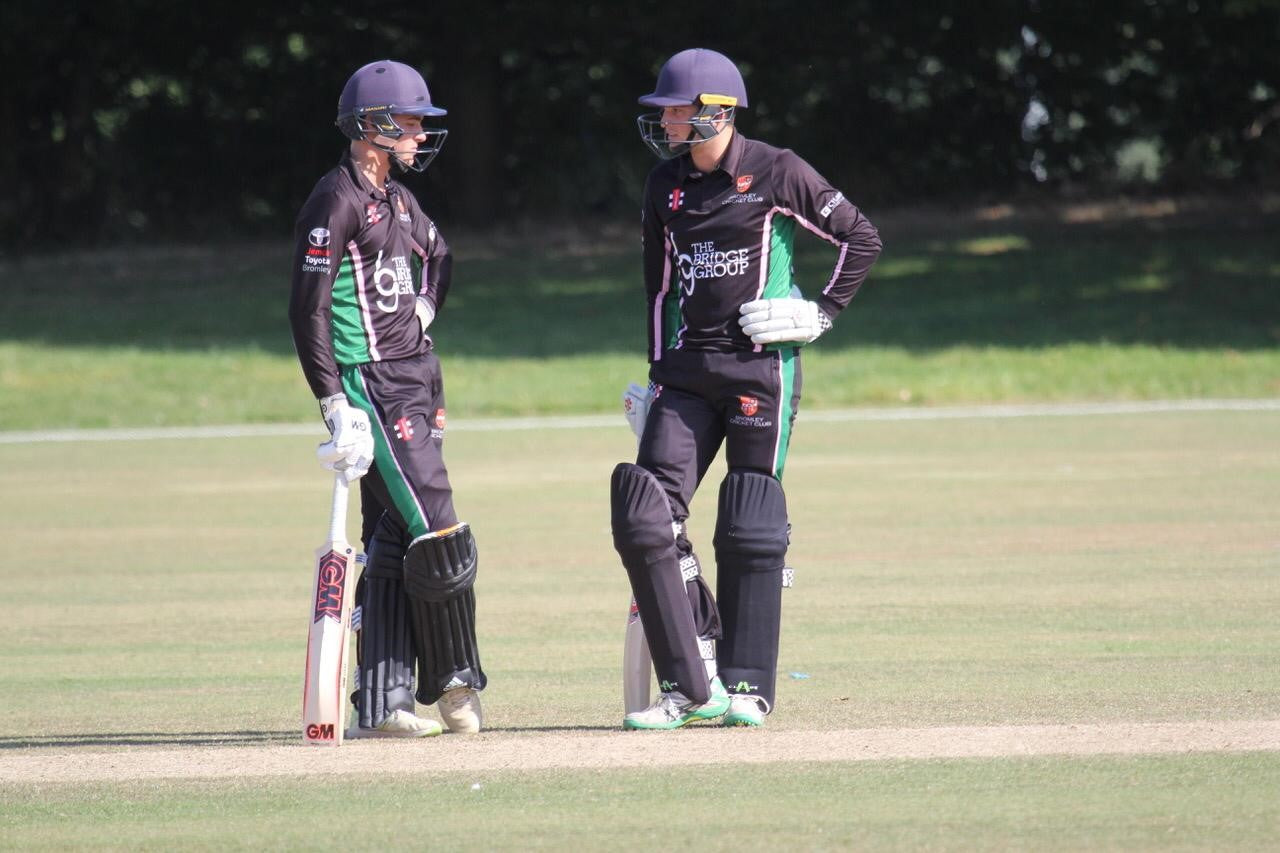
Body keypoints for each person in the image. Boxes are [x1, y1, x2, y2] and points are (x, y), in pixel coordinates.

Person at [612, 48, 882, 730]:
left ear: (719, 112)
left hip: (762, 365)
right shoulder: (663, 187)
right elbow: (659, 291)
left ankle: (748, 684)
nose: (667, 120)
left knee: (749, 519)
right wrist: (654, 376)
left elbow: (860, 237)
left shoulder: (775, 170)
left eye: (679, 108)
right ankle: (690, 680)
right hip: (687, 373)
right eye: (666, 110)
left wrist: (820, 313)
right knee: (649, 514)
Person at [288, 59, 486, 738]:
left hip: (416, 373)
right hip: (371, 381)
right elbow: (307, 310)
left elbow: (441, 255)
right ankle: (458, 683)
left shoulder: (397, 200)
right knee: (438, 524)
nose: (418, 132)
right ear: (370, 125)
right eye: (407, 121)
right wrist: (332, 402)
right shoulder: (335, 199)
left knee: (394, 532)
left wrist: (425, 309)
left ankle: (384, 699)